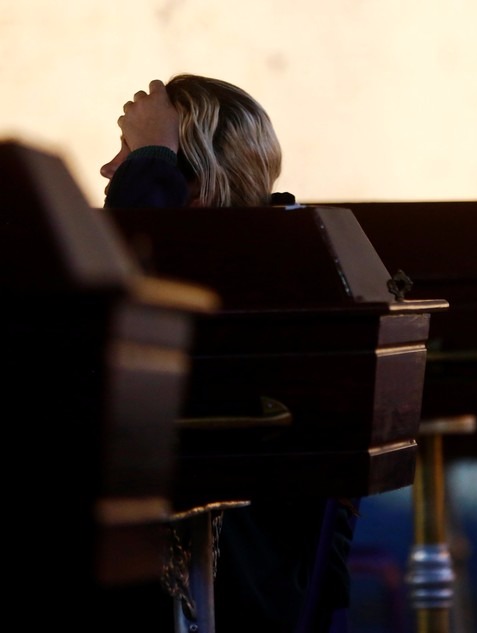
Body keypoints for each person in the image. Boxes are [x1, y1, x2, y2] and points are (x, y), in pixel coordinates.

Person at [101, 75, 356, 633]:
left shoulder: (268, 275)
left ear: (188, 187)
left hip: (229, 587)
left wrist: (149, 159)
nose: (107, 172)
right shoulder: (286, 258)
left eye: (126, 156)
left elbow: (133, 285)